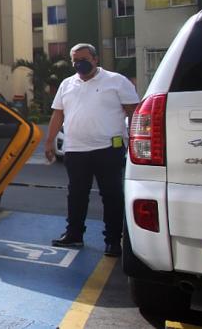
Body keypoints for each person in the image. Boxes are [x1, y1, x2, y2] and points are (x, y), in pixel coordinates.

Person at [44, 43, 139, 256]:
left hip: (107, 149)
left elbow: (134, 111)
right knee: (76, 195)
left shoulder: (116, 81)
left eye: (84, 58)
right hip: (75, 150)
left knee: (112, 196)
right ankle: (74, 235)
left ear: (95, 59)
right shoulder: (67, 84)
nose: (80, 63)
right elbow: (57, 114)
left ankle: (114, 241)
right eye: (75, 60)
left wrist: (133, 140)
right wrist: (49, 141)